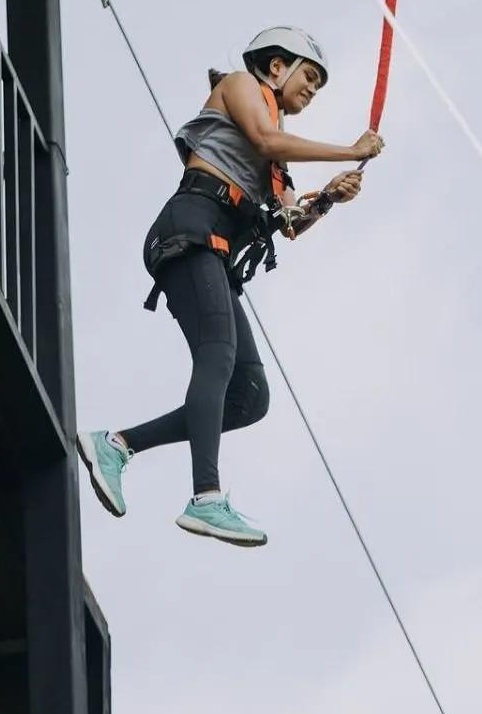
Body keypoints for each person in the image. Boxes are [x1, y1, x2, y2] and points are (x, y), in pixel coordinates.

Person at [78, 27, 385, 548]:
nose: (312, 89)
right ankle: (206, 496)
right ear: (276, 67)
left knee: (250, 395)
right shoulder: (241, 86)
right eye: (309, 76)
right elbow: (264, 138)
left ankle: (117, 444)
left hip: (214, 252)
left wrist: (328, 199)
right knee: (217, 355)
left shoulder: (277, 165)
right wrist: (348, 150)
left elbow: (288, 222)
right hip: (190, 231)